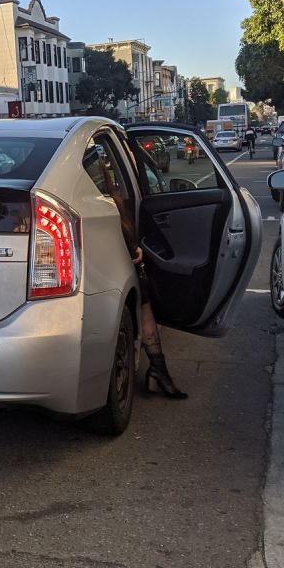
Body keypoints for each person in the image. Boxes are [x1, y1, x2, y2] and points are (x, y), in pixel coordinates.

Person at [106, 150, 187, 399]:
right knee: (142, 302)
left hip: (114, 249)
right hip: (119, 249)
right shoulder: (106, 175)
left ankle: (158, 370)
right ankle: (158, 371)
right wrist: (134, 247)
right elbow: (118, 207)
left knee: (144, 302)